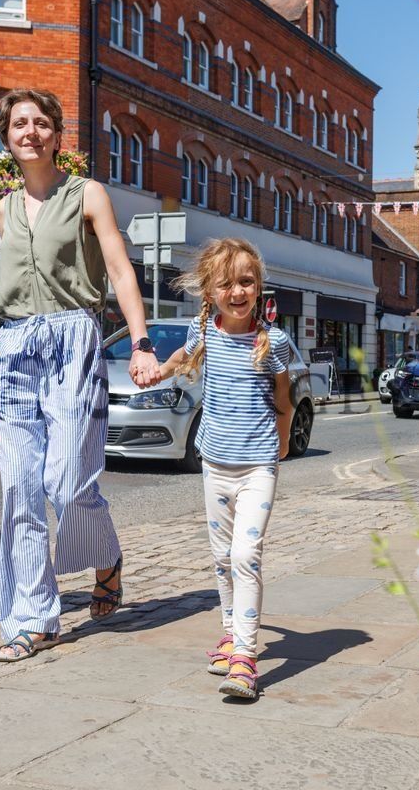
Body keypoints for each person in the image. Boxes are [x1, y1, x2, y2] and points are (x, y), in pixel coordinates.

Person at [0, 88, 161, 662]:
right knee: (19, 489)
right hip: (13, 346)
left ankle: (104, 556)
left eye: (41, 123)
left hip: (71, 340)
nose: (30, 132)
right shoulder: (4, 204)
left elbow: (117, 266)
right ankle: (33, 619)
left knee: (66, 480)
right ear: (7, 137)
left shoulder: (88, 194)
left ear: (58, 136)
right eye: (19, 124)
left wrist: (140, 342)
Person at [159, 238, 293, 699]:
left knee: (244, 558)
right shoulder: (206, 333)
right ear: (210, 291)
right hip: (214, 463)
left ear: (259, 287)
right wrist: (155, 371)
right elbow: (181, 358)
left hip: (257, 466)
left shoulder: (273, 341)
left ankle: (246, 658)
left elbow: (284, 400)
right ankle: (230, 632)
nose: (237, 292)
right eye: (226, 284)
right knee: (221, 559)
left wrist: (281, 445)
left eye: (246, 282)